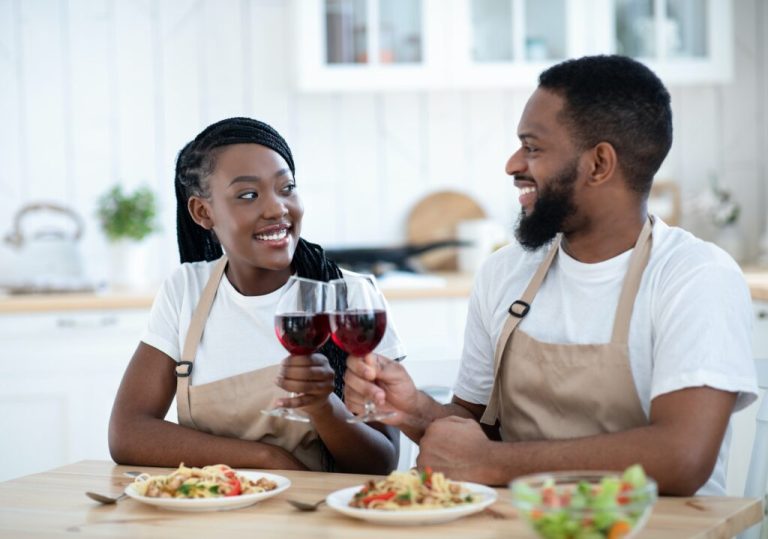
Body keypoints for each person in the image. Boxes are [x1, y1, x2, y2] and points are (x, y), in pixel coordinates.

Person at [344, 55, 758, 495]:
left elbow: (681, 457)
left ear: (599, 164)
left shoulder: (694, 277)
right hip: (520, 524)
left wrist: (492, 462)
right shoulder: (505, 273)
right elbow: (474, 436)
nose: (512, 164)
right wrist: (415, 411)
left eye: (533, 147)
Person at [109, 117, 405, 473]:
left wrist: (324, 406)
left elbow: (382, 462)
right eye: (248, 195)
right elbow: (128, 432)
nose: (276, 208)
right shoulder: (187, 290)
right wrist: (267, 459)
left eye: (287, 188)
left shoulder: (349, 298)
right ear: (203, 212)